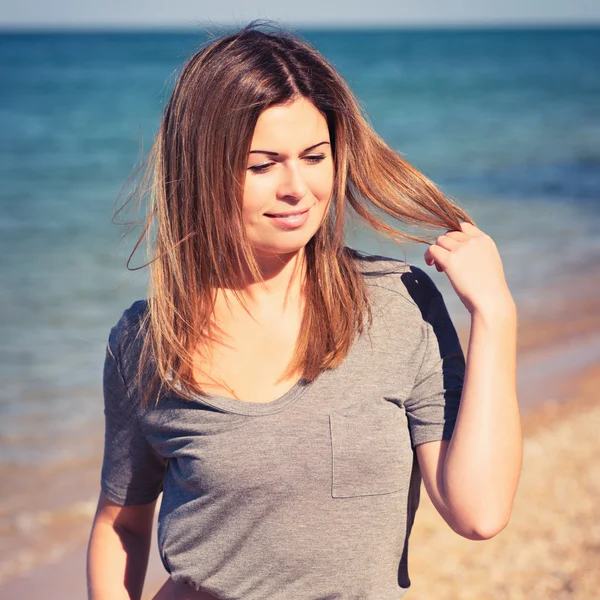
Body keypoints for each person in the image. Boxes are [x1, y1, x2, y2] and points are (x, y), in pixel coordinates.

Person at [86, 20, 522, 600]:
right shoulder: (147, 341)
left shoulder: (398, 306)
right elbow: (122, 522)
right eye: (261, 165)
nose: (298, 187)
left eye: (314, 156)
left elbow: (480, 512)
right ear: (200, 172)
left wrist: (495, 315)